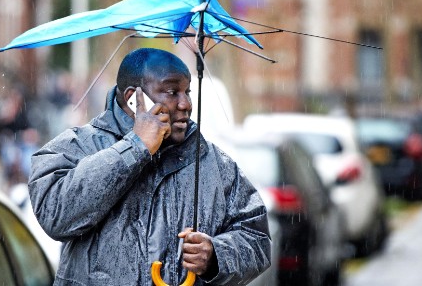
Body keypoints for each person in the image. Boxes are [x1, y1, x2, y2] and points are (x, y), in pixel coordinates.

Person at [29, 48, 271, 285]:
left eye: (187, 91)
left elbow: (257, 239)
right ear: (134, 98)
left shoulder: (215, 164)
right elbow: (55, 215)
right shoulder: (75, 147)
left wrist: (217, 255)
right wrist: (135, 147)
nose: (186, 103)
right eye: (172, 91)